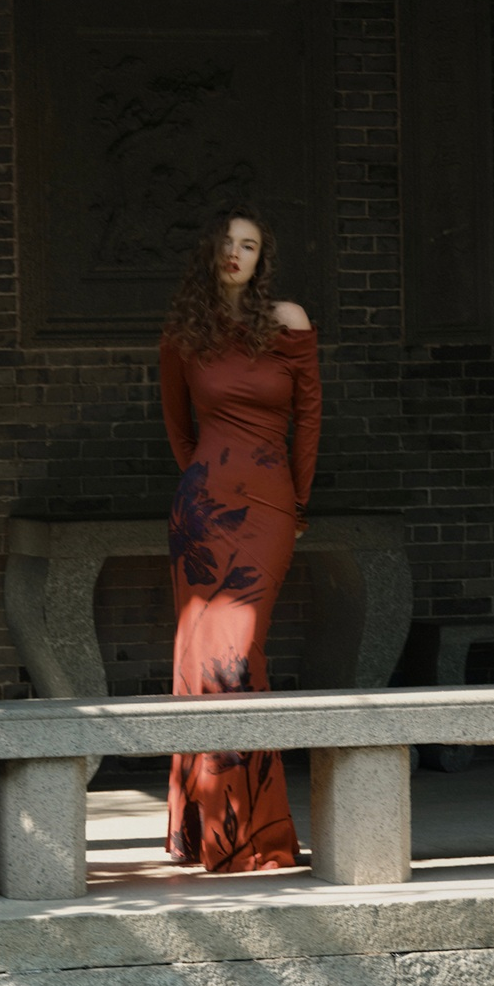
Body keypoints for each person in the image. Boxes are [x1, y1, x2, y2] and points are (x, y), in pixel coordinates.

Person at [158, 205, 322, 872]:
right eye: (226, 242)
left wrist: (297, 501)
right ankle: (209, 829)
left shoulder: (289, 322)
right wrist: (204, 484)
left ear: (261, 259)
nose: (235, 252)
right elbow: (178, 427)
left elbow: (309, 420)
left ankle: (249, 831)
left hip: (270, 505)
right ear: (209, 251)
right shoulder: (184, 334)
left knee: (237, 653)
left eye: (248, 245)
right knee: (202, 663)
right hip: (203, 511)